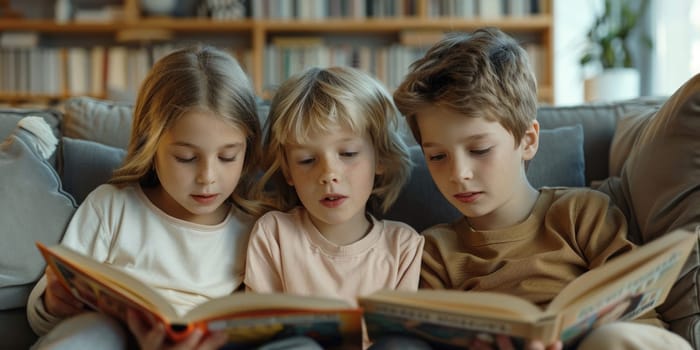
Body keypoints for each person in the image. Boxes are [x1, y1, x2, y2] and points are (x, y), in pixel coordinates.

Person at [389, 27, 693, 350]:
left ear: (528, 141)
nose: (459, 173)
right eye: (437, 156)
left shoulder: (582, 213)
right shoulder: (436, 252)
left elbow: (639, 310)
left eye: (479, 150)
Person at [26, 45, 265, 350]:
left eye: (228, 156)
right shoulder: (112, 206)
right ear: (150, 145)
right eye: (186, 157)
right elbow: (44, 318)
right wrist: (53, 301)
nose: (208, 177)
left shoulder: (253, 229)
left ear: (248, 148)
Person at [244, 66, 425, 349]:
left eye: (348, 154)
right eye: (306, 160)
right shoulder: (274, 234)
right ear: (289, 171)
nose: (329, 174)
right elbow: (262, 334)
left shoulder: (403, 246)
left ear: (380, 158)